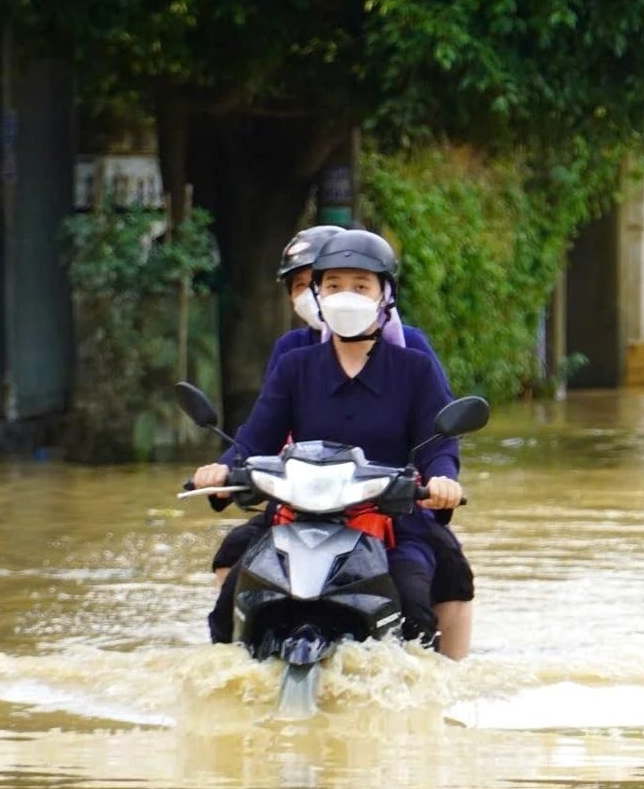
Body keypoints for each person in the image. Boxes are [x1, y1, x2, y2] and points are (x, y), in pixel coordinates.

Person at [197, 230, 476, 655]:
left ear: (385, 295)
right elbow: (255, 440)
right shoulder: (294, 365)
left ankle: (422, 687)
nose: (345, 297)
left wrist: (442, 479)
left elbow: (438, 444)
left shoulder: (414, 367)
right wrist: (222, 470)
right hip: (301, 514)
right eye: (333, 285)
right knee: (230, 603)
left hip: (389, 518)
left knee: (415, 606)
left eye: (360, 286)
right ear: (318, 293)